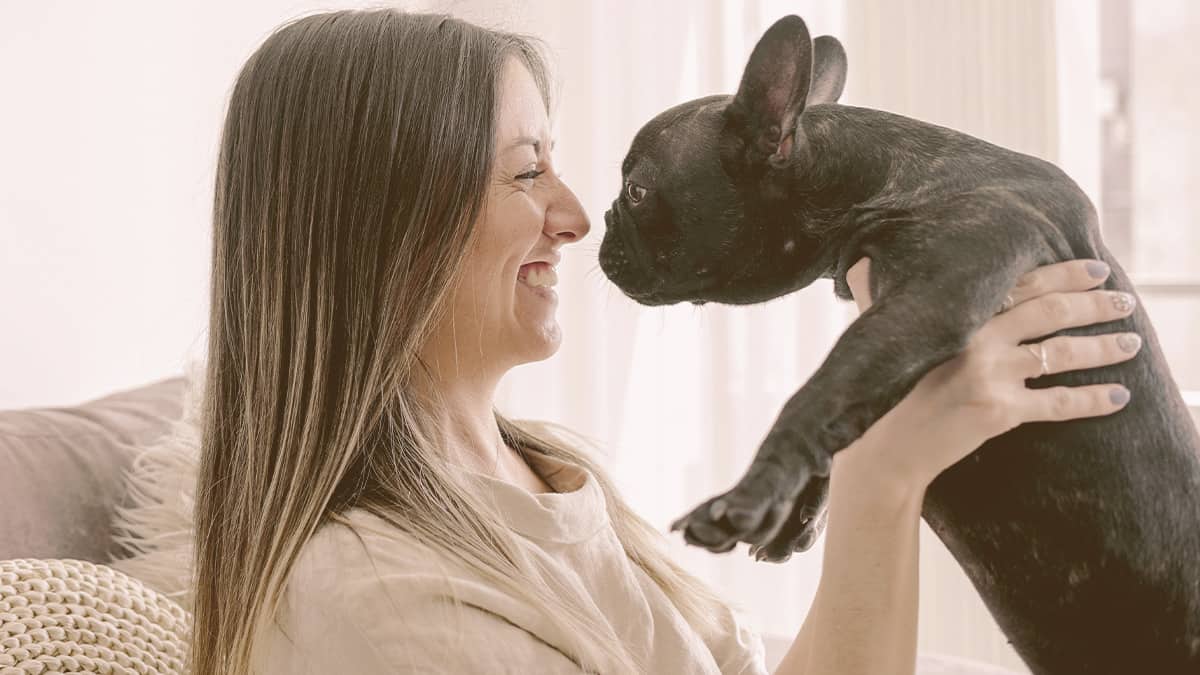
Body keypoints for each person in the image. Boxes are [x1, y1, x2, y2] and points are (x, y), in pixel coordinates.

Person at [189, 9, 1141, 675]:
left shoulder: (559, 481)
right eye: (528, 173)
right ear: (382, 227)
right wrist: (882, 466)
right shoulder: (384, 604)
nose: (572, 217)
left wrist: (882, 467)